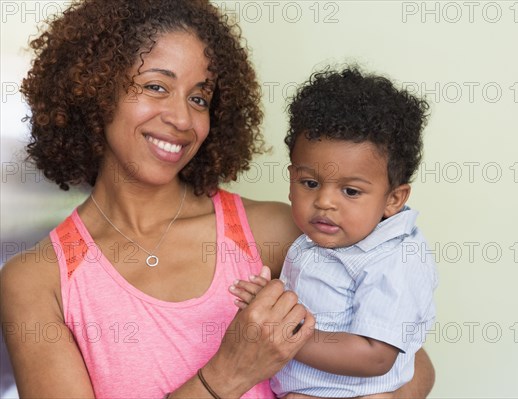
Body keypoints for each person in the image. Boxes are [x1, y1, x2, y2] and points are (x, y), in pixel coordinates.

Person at [0, 0, 435, 397]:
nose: (181, 118)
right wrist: (229, 372)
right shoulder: (38, 281)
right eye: (155, 87)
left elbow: (410, 369)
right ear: (94, 91)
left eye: (199, 97)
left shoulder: (281, 233)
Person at [231, 67, 438, 398]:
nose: (324, 201)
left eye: (351, 191)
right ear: (291, 179)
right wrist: (270, 301)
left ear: (394, 199)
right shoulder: (315, 242)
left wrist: (283, 334)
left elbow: (375, 355)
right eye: (310, 183)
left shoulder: (395, 259)